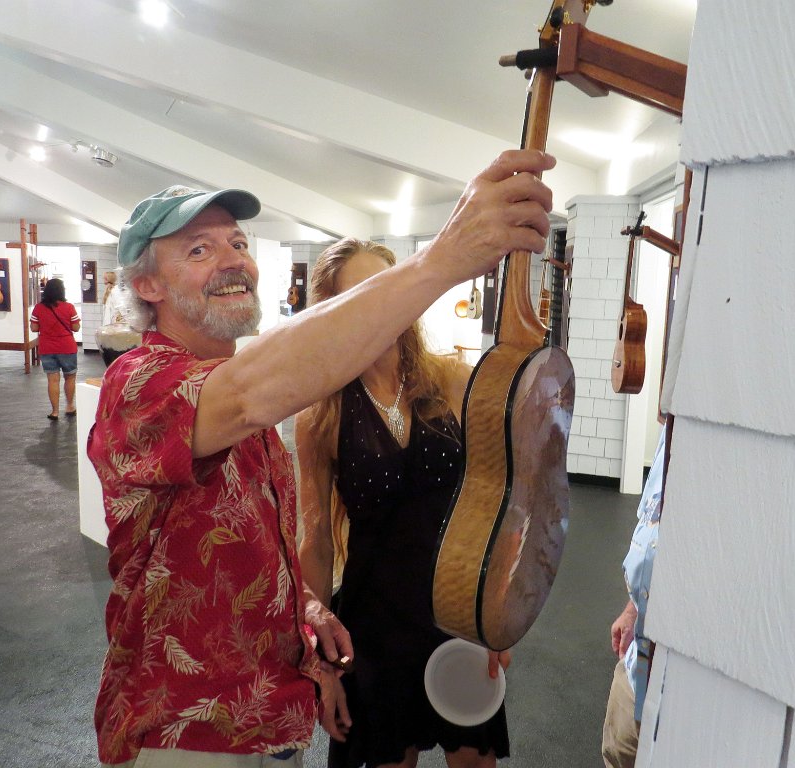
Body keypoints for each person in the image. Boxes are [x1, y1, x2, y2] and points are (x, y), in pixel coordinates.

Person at [86, 149, 556, 768]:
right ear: (147, 285)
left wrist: (308, 623)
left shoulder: (244, 409)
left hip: (269, 713)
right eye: (198, 249)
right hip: (184, 726)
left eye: (236, 241)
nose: (232, 260)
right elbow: (259, 393)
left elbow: (272, 551)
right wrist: (443, 258)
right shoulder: (142, 386)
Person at [295, 239, 510, 768]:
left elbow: (495, 503)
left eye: (391, 288)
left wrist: (501, 611)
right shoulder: (320, 412)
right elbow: (316, 540)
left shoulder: (452, 378)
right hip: (376, 619)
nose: (384, 304)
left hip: (457, 605)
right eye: (364, 293)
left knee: (474, 758)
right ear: (333, 309)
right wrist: (319, 661)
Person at [601, 425, 666, 768]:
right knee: (621, 754)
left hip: (680, 680)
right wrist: (632, 610)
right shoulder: (670, 431)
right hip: (637, 660)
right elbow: (651, 521)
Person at [30, 278, 81, 420]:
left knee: (52, 380)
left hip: (47, 347)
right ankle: (70, 406)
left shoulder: (38, 308)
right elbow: (76, 328)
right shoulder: (69, 307)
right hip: (67, 347)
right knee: (70, 377)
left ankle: (55, 411)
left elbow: (34, 328)